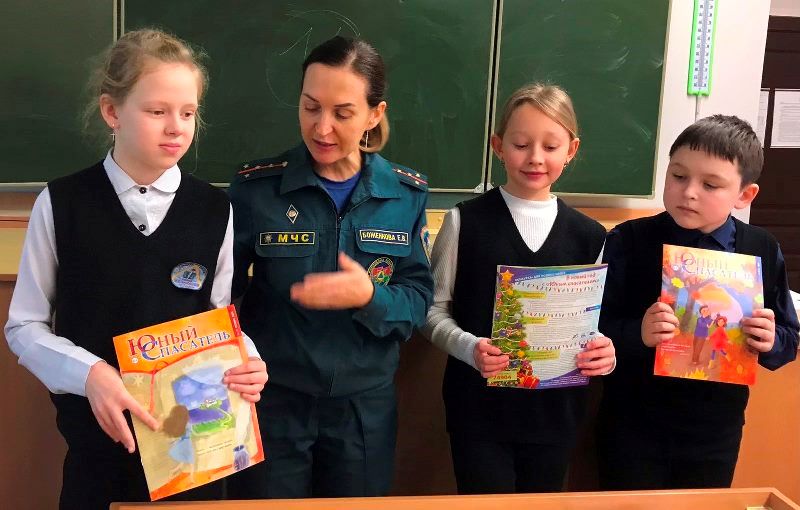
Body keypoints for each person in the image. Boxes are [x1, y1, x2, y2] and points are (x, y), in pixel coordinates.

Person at [3, 29, 267, 510]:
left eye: (188, 113)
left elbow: (219, 319)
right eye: (157, 111)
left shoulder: (214, 209)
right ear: (112, 111)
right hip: (98, 456)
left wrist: (246, 359)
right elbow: (24, 325)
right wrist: (91, 374)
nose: (176, 128)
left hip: (193, 458)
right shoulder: (63, 203)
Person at [226, 36, 433, 499]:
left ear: (374, 115)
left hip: (363, 410)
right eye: (310, 107)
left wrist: (370, 297)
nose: (322, 128)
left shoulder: (405, 194)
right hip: (273, 402)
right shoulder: (257, 189)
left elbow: (419, 300)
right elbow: (222, 297)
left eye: (342, 113)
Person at [423, 83, 616, 494]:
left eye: (551, 146)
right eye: (521, 144)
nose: (535, 158)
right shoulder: (464, 222)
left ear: (571, 150)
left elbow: (592, 325)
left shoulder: (589, 236)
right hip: (479, 414)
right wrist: (469, 348)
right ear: (498, 146)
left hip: (555, 417)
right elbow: (431, 310)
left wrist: (604, 353)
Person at [597, 114, 800, 490]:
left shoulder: (761, 249)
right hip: (634, 426)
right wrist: (637, 334)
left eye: (710, 184)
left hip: (715, 433)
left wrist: (770, 341)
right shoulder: (629, 240)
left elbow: (788, 340)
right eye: (678, 176)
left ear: (744, 195)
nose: (689, 192)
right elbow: (594, 329)